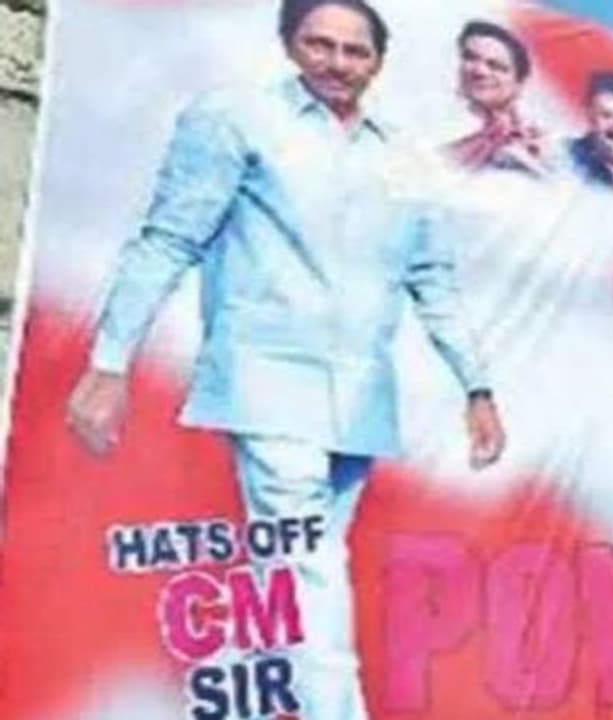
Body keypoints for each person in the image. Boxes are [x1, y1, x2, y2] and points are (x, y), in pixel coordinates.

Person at [64, 1, 506, 717]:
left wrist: (476, 386)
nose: (337, 63)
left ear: (378, 61)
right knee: (308, 569)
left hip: (360, 399)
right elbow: (169, 239)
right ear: (290, 44)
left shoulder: (403, 155)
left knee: (299, 576)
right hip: (267, 381)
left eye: (355, 51)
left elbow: (433, 279)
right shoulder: (237, 119)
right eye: (319, 44)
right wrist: (110, 361)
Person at [445, 19, 551, 176]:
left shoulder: (534, 142)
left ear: (518, 84)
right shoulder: (437, 122)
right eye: (470, 57)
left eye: (496, 66)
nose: (479, 71)